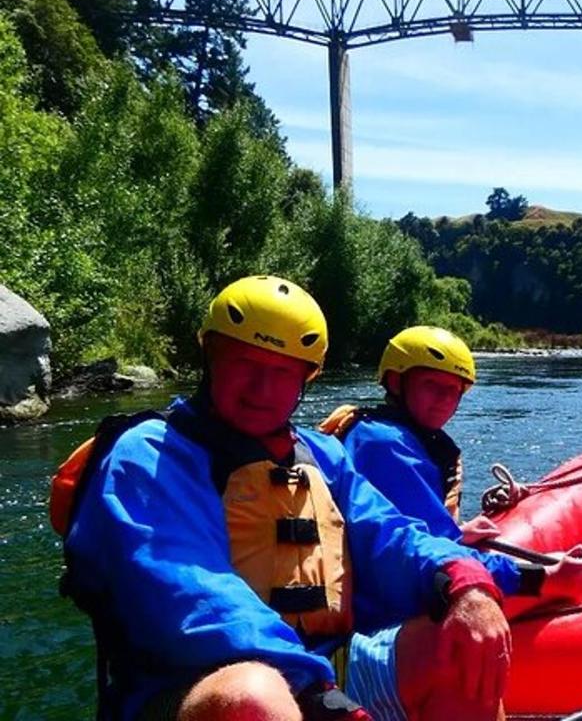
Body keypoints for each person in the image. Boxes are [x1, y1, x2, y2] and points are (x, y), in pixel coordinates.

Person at [56, 276, 513, 721]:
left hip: (323, 667)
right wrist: (314, 691)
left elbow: (390, 534)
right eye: (244, 364)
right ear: (210, 356)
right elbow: (188, 591)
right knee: (254, 694)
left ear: (305, 379)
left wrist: (463, 578)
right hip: (189, 683)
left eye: (281, 372)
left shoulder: (323, 454)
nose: (262, 389)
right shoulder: (148, 453)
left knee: (463, 646)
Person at [320, 325, 582, 719]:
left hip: (373, 616)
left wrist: (456, 533)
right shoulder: (385, 445)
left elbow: (409, 533)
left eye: (454, 391)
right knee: (464, 652)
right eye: (433, 385)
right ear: (397, 382)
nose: (444, 400)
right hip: (363, 634)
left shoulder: (383, 435)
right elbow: (410, 553)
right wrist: (546, 574)